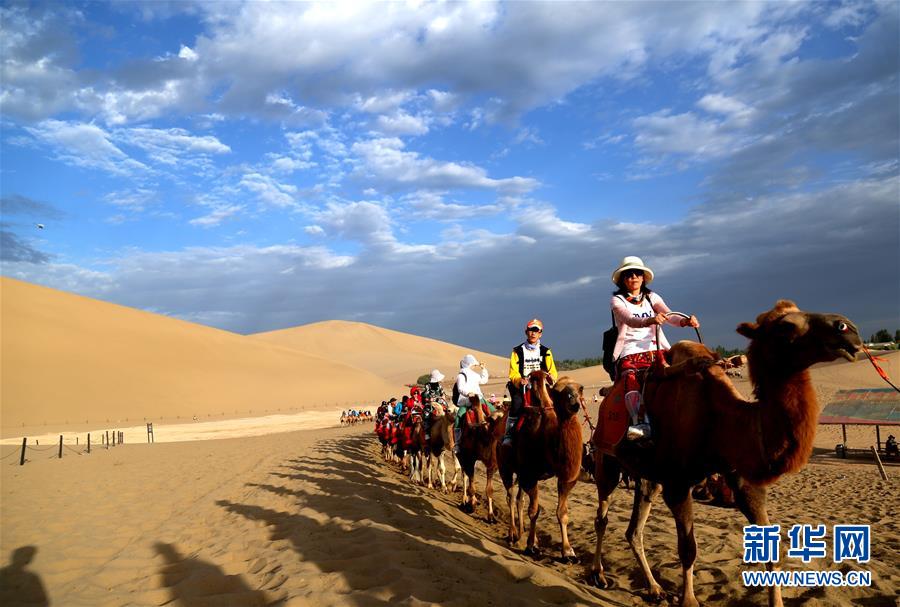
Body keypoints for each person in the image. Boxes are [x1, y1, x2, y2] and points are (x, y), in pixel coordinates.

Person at [609, 256, 698, 441]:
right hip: (630, 351)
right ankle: (638, 421)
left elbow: (668, 315)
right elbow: (629, 319)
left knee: (685, 372)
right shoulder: (617, 301)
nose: (633, 277)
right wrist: (650, 320)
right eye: (629, 274)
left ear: (643, 277)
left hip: (657, 348)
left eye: (637, 274)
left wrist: (685, 321)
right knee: (631, 378)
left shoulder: (652, 297)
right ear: (623, 279)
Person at [502, 318, 559, 446]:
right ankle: (509, 434)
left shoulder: (546, 351)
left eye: (536, 330)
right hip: (522, 387)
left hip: (541, 387)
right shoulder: (517, 351)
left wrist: (551, 378)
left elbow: (553, 371)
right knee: (516, 405)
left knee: (556, 405)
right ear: (526, 332)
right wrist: (519, 380)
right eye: (530, 330)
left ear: (540, 334)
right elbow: (513, 372)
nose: (533, 333)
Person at [453, 354, 489, 450]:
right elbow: (460, 388)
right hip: (466, 400)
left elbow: (484, 380)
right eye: (473, 364)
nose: (474, 366)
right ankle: (457, 443)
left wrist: (483, 369)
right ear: (469, 364)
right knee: (458, 418)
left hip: (479, 399)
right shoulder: (461, 376)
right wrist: (468, 393)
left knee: (494, 412)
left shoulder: (474, 375)